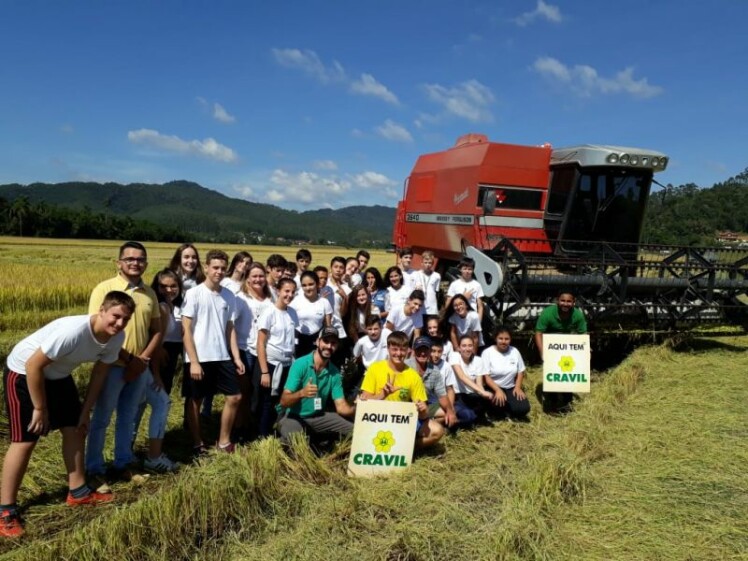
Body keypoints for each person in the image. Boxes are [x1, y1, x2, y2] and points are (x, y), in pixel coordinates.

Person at [0, 292, 134, 538]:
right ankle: (6, 511)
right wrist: (41, 409)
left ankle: (78, 492)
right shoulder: (73, 331)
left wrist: (86, 412)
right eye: (115, 316)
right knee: (25, 441)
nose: (119, 323)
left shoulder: (116, 338)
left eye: (125, 319)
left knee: (76, 429)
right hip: (23, 372)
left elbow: (99, 375)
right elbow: (33, 365)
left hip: (59, 375)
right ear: (102, 310)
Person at [86, 241, 162, 482]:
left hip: (139, 367)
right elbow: (98, 330)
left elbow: (157, 330)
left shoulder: (149, 293)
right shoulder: (104, 289)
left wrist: (143, 360)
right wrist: (130, 360)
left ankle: (123, 462)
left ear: (146, 264)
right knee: (102, 418)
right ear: (118, 262)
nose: (135, 263)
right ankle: (95, 468)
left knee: (128, 417)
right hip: (111, 366)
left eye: (140, 259)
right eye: (129, 259)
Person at [182, 250, 245, 455]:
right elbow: (186, 330)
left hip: (222, 356)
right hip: (200, 357)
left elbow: (230, 328)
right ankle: (197, 442)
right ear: (206, 268)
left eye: (222, 268)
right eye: (215, 267)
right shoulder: (194, 294)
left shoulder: (229, 296)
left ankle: (224, 441)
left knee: (234, 397)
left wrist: (235, 356)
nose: (219, 272)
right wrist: (193, 361)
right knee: (195, 400)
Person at [360, 331, 444, 449]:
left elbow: (423, 414)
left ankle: (406, 449)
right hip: (378, 419)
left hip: (401, 420)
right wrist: (383, 394)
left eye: (402, 349)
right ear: (388, 348)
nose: (399, 353)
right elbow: (364, 403)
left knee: (437, 430)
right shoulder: (375, 369)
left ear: (408, 350)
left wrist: (423, 409)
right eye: (394, 349)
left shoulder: (413, 375)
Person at [277, 327, 356, 450]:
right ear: (318, 342)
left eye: (333, 343)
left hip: (318, 416)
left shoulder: (334, 372)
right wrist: (302, 393)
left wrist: (358, 407)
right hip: (294, 416)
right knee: (296, 446)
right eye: (326, 341)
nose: (329, 346)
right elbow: (283, 401)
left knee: (356, 431)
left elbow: (341, 407)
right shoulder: (300, 364)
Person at [233, 262, 274, 441]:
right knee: (244, 393)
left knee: (259, 393)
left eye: (261, 276)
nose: (258, 280)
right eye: (254, 276)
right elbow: (231, 327)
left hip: (265, 351)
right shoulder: (240, 298)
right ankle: (239, 429)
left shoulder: (271, 297)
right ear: (247, 278)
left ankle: (255, 427)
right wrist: (235, 355)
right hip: (245, 349)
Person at [254, 278, 299, 438]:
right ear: (278, 291)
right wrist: (265, 372)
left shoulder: (292, 313)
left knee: (283, 399)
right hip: (272, 364)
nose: (290, 295)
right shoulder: (269, 312)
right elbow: (260, 343)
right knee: (267, 401)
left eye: (293, 292)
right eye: (286, 291)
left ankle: (279, 428)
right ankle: (262, 434)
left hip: (287, 364)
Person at [534, 290, 587, 413]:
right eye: (563, 300)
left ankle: (567, 402)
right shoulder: (548, 313)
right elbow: (538, 333)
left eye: (569, 301)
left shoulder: (578, 315)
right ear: (558, 300)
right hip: (551, 346)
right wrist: (543, 352)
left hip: (568, 345)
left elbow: (583, 333)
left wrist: (585, 350)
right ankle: (551, 402)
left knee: (568, 371)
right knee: (553, 372)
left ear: (574, 302)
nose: (565, 304)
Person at [405, 337, 458, 429]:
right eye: (419, 350)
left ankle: (423, 425)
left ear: (429, 351)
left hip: (424, 405)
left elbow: (442, 395)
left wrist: (450, 411)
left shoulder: (435, 371)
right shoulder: (405, 366)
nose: (422, 353)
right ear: (414, 351)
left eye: (425, 350)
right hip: (405, 404)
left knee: (446, 412)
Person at [481, 326, 530, 420]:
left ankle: (508, 410)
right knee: (496, 405)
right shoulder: (487, 353)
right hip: (493, 387)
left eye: (506, 339)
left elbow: (521, 371)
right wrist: (498, 390)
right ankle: (499, 412)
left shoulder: (514, 351)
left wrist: (518, 387)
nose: (503, 341)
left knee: (523, 409)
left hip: (510, 387)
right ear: (495, 338)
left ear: (510, 339)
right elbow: (486, 376)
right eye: (500, 338)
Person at [448, 335, 493, 424]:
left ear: (473, 347)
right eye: (464, 346)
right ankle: (456, 420)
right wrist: (482, 392)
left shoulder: (478, 360)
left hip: (472, 394)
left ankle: (474, 415)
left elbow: (479, 383)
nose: (467, 349)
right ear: (459, 348)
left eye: (470, 345)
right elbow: (462, 376)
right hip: (458, 395)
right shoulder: (455, 356)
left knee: (489, 399)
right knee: (468, 417)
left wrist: (483, 394)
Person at [290, 270, 333, 357]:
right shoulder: (295, 301)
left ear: (317, 284)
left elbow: (328, 327)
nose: (308, 288)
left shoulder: (324, 302)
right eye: (304, 285)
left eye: (311, 284)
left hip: (316, 340)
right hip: (298, 340)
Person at [327, 256, 352, 368]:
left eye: (341, 267)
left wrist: (345, 298)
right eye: (335, 267)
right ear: (331, 268)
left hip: (338, 329)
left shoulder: (347, 289)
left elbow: (343, 313)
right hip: (324, 328)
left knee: (336, 363)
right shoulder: (323, 284)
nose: (338, 270)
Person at [445, 257, 485, 321]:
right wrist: (463, 297)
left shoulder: (477, 285)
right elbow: (447, 304)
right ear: (460, 269)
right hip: (457, 319)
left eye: (469, 269)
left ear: (473, 270)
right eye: (465, 269)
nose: (467, 271)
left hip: (472, 319)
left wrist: (478, 323)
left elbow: (480, 307)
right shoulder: (454, 284)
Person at [417, 251, 441, 315]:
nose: (427, 265)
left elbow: (436, 292)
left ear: (433, 264)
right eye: (425, 262)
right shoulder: (416, 274)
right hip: (420, 307)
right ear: (422, 263)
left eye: (430, 263)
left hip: (432, 308)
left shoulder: (437, 276)